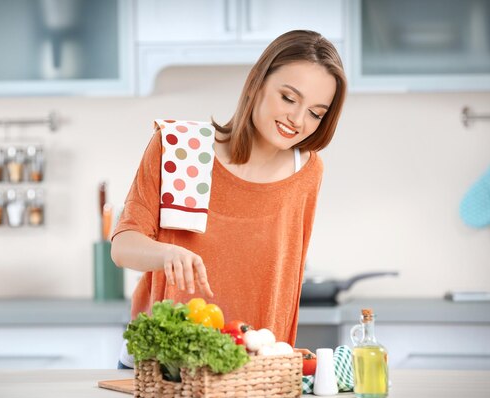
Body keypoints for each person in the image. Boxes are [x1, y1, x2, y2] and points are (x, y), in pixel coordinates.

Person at [111, 30, 347, 369]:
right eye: (288, 98)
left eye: (316, 112)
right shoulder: (179, 148)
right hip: (165, 367)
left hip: (253, 368)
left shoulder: (307, 171)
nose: (297, 120)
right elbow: (123, 247)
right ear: (257, 83)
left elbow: (285, 278)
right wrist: (167, 253)